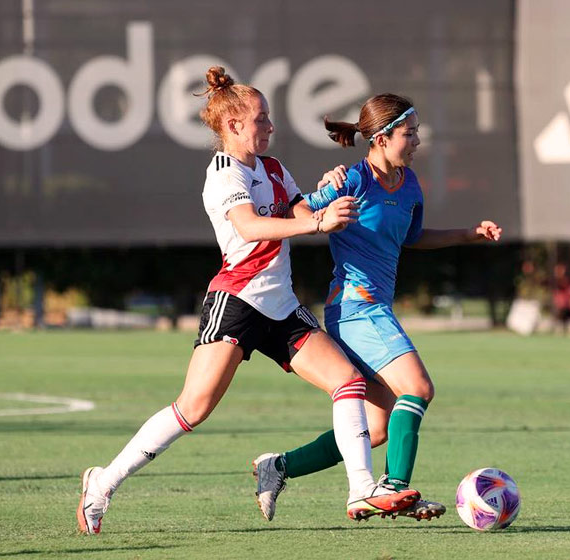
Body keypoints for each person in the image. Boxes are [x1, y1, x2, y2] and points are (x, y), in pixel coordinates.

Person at [76, 68, 420, 535]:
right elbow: (251, 227)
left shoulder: (274, 168)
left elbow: (301, 211)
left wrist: (328, 204)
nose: (270, 126)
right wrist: (315, 224)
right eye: (262, 119)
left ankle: (361, 488)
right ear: (234, 125)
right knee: (192, 409)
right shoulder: (223, 174)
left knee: (348, 382)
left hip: (281, 306)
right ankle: (103, 481)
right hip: (236, 301)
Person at [251, 93, 502, 522]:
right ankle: (392, 489)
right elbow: (293, 213)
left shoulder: (409, 184)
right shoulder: (353, 179)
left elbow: (412, 237)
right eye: (410, 132)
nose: (419, 140)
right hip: (354, 307)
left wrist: (469, 234)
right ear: (382, 138)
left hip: (373, 308)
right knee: (418, 388)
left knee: (379, 427)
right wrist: (322, 196)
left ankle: (277, 467)